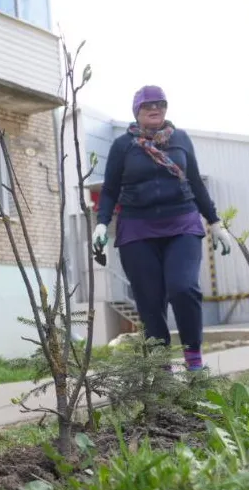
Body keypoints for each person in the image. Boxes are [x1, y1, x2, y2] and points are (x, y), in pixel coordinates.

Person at [91, 85, 233, 372]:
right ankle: (162, 371)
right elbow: (109, 190)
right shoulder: (122, 146)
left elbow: (194, 181)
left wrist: (215, 223)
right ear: (137, 112)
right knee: (149, 301)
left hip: (182, 222)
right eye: (148, 106)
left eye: (160, 104)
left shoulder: (180, 140)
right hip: (137, 229)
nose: (155, 109)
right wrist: (102, 224)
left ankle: (194, 362)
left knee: (183, 288)